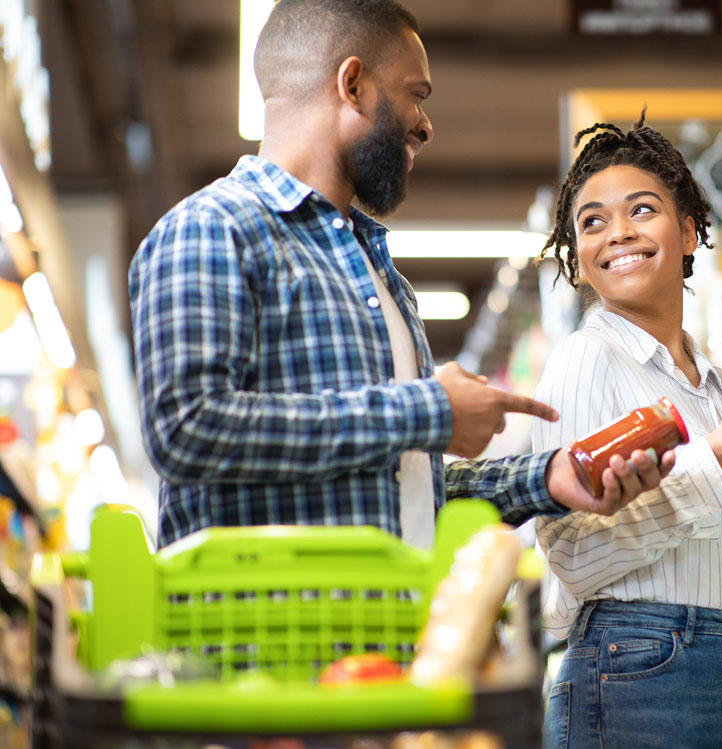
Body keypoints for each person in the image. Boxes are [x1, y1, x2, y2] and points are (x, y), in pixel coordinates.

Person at [128, 0, 673, 549]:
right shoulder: (210, 228)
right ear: (354, 84)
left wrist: (548, 477)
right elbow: (186, 428)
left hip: (388, 624)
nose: (426, 125)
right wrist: (428, 409)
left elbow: (406, 488)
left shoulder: (379, 274)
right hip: (263, 628)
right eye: (416, 94)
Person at [534, 115, 722, 749]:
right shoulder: (586, 361)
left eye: (641, 210)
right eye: (592, 222)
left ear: (690, 233)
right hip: (631, 671)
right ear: (580, 259)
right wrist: (720, 456)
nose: (618, 232)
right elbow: (573, 554)